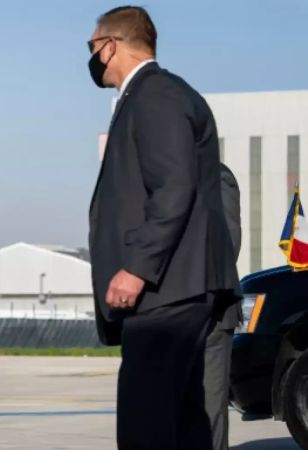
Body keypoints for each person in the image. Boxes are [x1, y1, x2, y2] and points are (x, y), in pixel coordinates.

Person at [86, 6, 241, 449]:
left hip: (166, 292)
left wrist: (137, 267)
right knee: (182, 423)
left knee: (145, 425)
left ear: (110, 45)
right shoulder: (162, 95)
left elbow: (174, 187)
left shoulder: (155, 95)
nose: (93, 57)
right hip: (176, 288)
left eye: (93, 46)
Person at [204, 163, 242, 450]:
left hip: (212, 310)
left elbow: (228, 241)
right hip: (171, 314)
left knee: (209, 408)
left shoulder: (217, 175)